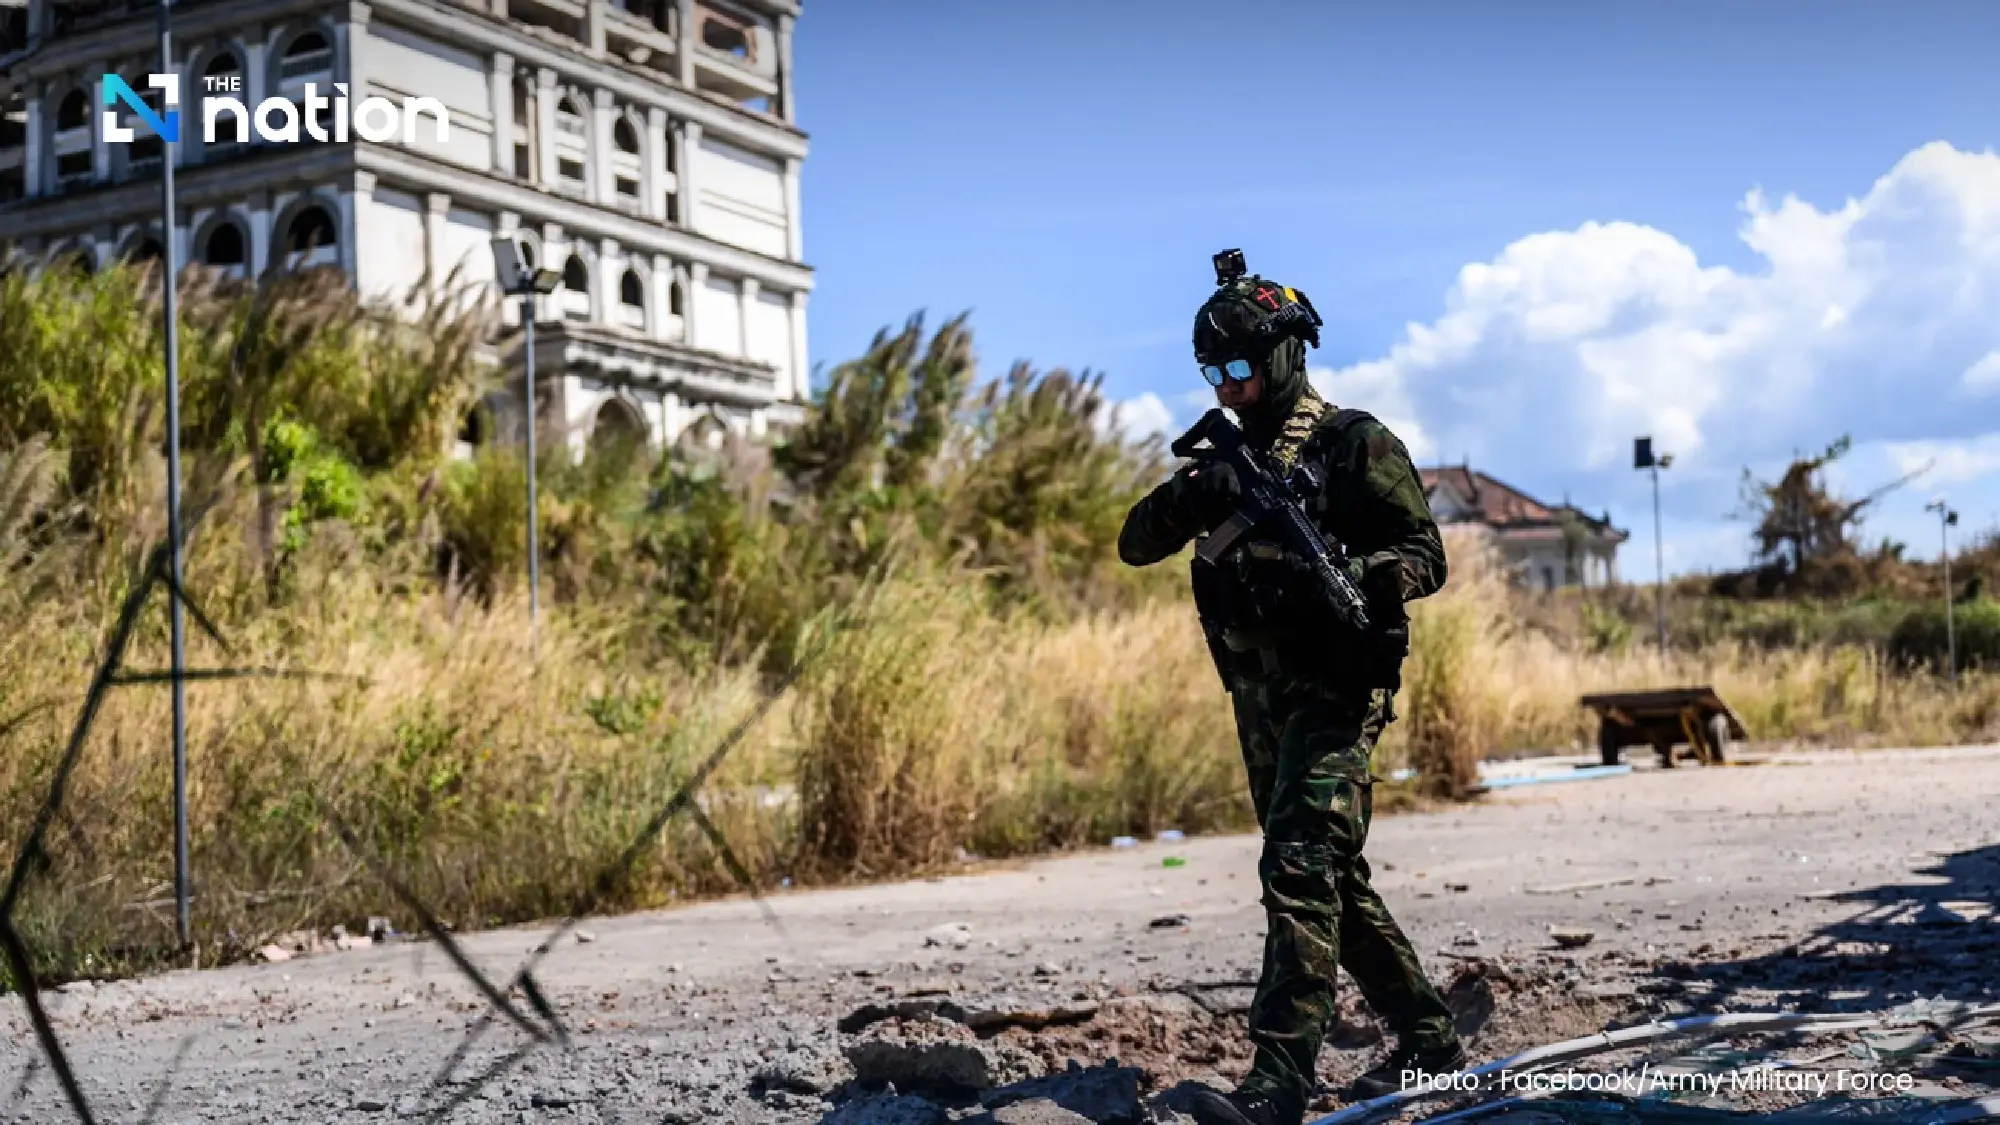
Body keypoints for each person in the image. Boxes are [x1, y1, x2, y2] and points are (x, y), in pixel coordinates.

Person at [1117, 254, 1466, 1125]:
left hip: (1340, 685)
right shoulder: (1225, 458)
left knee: (1297, 861)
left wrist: (1354, 572)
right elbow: (1134, 542)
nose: (1229, 388)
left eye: (1240, 368)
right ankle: (1430, 1041)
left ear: (1284, 355)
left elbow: (1426, 555)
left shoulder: (1355, 443)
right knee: (1328, 877)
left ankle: (1277, 1084)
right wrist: (1202, 491)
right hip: (1260, 692)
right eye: (1214, 374)